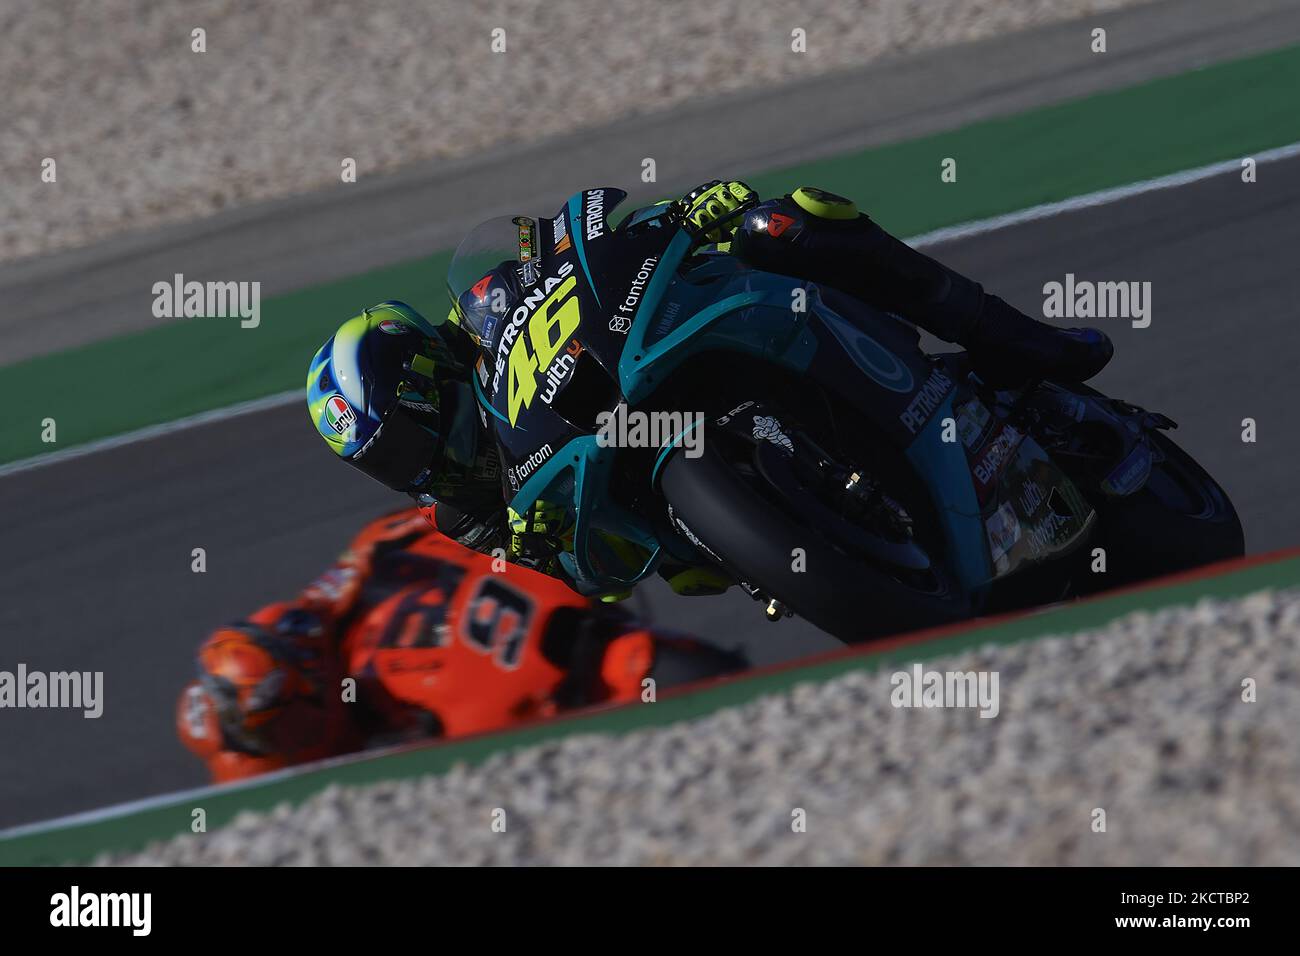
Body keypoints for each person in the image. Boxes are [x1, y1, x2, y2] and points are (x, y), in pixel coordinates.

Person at [304, 181, 1112, 597]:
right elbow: (592, 582)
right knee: (696, 575)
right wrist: (545, 542)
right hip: (656, 509)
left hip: (647, 351)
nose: (411, 464)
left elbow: (560, 249)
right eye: (386, 463)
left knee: (787, 224)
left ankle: (1017, 340)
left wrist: (678, 213)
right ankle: (846, 553)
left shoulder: (481, 308)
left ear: (423, 376)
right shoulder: (457, 508)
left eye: (404, 438)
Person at [178, 508, 742, 782]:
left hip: (526, 615)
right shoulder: (267, 772)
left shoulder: (318, 609)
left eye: (297, 702)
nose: (310, 711)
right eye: (286, 731)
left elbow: (382, 542)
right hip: (507, 705)